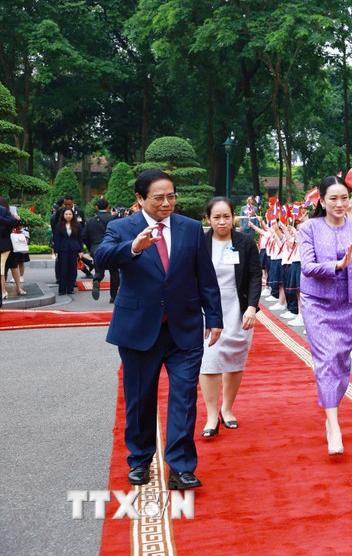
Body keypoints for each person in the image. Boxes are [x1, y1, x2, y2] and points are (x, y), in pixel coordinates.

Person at [94, 170, 223, 490]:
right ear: (140, 199)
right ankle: (139, 459)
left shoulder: (191, 228)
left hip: (185, 327)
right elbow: (101, 257)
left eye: (172, 197)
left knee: (183, 399)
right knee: (140, 399)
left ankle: (180, 467)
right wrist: (133, 248)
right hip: (139, 329)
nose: (167, 203)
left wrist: (215, 317)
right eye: (159, 198)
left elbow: (205, 276)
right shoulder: (120, 227)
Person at [297, 175, 352, 454]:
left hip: (347, 304)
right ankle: (334, 425)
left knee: (341, 363)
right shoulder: (308, 228)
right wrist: (338, 264)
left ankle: (331, 412)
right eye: (333, 198)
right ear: (322, 201)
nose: (339, 203)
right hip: (316, 303)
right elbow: (307, 266)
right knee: (327, 359)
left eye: (344, 197)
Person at [199, 197, 261, 438]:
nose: (222, 221)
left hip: (238, 308)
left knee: (235, 359)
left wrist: (252, 307)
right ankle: (212, 414)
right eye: (216, 217)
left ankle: (228, 408)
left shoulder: (244, 242)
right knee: (210, 360)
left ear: (234, 216)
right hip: (209, 309)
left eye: (226, 216)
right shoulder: (200, 243)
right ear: (208, 219)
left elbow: (255, 275)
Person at [84, 197, 120, 302]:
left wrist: (91, 247)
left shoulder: (90, 221)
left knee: (99, 269)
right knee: (114, 271)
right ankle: (113, 296)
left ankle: (97, 279)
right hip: (111, 248)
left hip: (96, 249)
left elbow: (84, 236)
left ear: (97, 207)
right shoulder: (114, 219)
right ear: (108, 207)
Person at [52, 207, 84, 296]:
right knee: (63, 268)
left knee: (73, 269)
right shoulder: (59, 225)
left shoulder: (77, 225)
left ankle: (70, 288)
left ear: (73, 215)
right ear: (63, 215)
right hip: (63, 249)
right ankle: (62, 289)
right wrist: (56, 251)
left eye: (70, 214)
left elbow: (80, 238)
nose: (68, 216)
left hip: (74, 249)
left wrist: (81, 250)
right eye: (66, 214)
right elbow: (56, 239)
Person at [0, 198, 20, 304]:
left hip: (6, 245)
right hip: (7, 244)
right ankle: (4, 291)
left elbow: (13, 223)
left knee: (5, 267)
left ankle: (4, 291)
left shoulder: (5, 212)